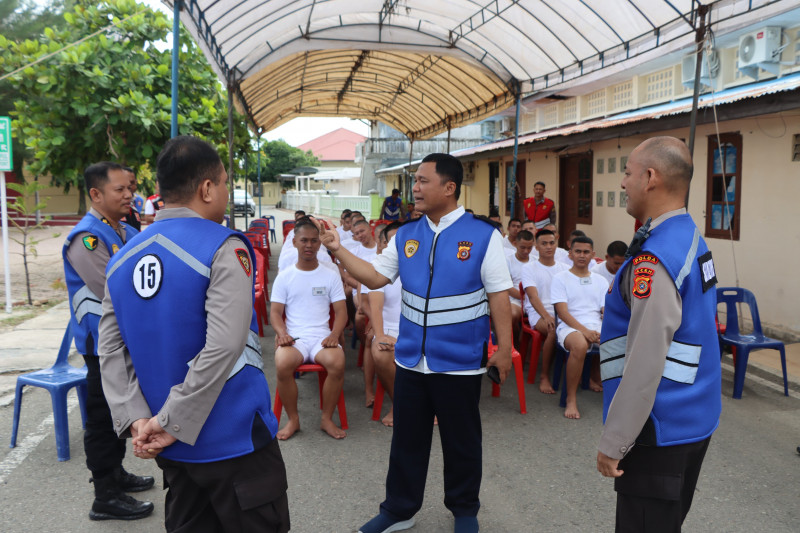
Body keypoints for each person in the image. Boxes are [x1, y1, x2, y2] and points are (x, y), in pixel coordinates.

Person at [99, 136, 290, 532]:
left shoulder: (121, 260)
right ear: (206, 188)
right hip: (234, 438)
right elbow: (224, 345)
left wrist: (139, 420)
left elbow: (111, 352)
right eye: (223, 183)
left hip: (172, 446)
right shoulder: (222, 247)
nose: (223, 190)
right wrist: (171, 422)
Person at [316, 153, 513, 533]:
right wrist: (337, 249)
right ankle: (399, 510)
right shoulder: (406, 234)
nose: (416, 188)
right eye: (415, 181)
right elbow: (374, 278)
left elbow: (499, 295)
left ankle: (465, 510)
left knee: (462, 442)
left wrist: (503, 349)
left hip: (459, 360)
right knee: (407, 440)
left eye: (423, 181)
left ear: (449, 187)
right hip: (411, 360)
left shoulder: (483, 235)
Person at [597, 136, 721, 532]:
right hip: (692, 419)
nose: (623, 183)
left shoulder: (656, 260)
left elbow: (644, 362)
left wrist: (614, 443)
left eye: (628, 173)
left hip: (658, 429)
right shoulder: (688, 237)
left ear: (650, 178)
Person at [62, 161, 154, 521]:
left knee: (118, 409)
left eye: (130, 188)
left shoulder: (121, 231)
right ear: (96, 194)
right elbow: (116, 290)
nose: (130, 194)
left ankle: (116, 475)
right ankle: (105, 494)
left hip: (117, 342)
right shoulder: (88, 238)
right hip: (100, 345)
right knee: (102, 416)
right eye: (120, 190)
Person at [270, 217, 348, 440]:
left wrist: (334, 335)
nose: (309, 245)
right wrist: (282, 334)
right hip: (295, 338)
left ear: (320, 244)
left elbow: (341, 312)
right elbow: (275, 313)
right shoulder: (285, 277)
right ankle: (293, 420)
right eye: (304, 240)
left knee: (337, 362)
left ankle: (326, 419)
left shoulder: (330, 275)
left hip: (322, 337)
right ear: (294, 242)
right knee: (283, 363)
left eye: (314, 241)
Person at [551, 236, 609, 419]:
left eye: (586, 252)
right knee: (580, 345)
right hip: (569, 326)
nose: (582, 255)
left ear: (593, 254)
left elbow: (605, 311)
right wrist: (584, 331)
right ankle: (571, 399)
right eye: (578, 251)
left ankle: (618, 399)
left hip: (596, 325)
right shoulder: (560, 278)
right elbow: (562, 313)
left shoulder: (601, 281)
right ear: (570, 254)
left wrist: (606, 330)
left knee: (622, 342)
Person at [365, 221, 404, 427]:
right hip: (389, 328)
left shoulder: (424, 266)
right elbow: (375, 308)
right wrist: (379, 336)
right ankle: (399, 404)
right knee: (381, 353)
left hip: (416, 331)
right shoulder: (377, 268)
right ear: (384, 244)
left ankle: (425, 405)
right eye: (394, 241)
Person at [521, 229, 568, 394]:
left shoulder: (565, 268)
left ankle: (589, 376)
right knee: (552, 330)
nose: (549, 247)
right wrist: (547, 315)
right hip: (539, 312)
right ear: (536, 246)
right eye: (544, 243)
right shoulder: (529, 268)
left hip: (562, 312)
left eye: (552, 243)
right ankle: (544, 376)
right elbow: (533, 297)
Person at [505, 229, 535, 338]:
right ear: (515, 244)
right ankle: (515, 343)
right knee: (512, 315)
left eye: (529, 248)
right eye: (522, 247)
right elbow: (507, 287)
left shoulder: (536, 261)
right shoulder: (507, 261)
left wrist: (532, 298)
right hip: (515, 299)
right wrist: (526, 297)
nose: (526, 251)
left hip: (534, 299)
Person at [122, 166, 142, 231]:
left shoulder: (134, 211)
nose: (130, 187)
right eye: (125, 183)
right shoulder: (110, 214)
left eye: (132, 183)